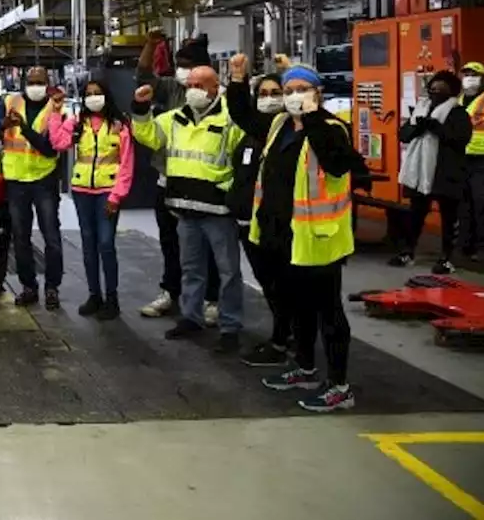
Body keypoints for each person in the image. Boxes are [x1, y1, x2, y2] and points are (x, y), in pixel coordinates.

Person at [251, 65, 362, 412]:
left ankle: (340, 386)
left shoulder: (332, 129)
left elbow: (339, 165)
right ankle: (305, 367)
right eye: (289, 90)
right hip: (283, 235)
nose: (294, 96)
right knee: (297, 307)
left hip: (319, 238)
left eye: (302, 89)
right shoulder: (280, 125)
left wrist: (312, 118)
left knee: (328, 312)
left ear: (317, 93)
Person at [132, 66, 246, 352]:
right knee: (191, 269)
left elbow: (242, 161)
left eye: (200, 84)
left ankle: (230, 326)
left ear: (215, 87)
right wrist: (140, 107)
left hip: (218, 211)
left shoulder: (230, 120)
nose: (193, 89)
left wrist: (230, 194)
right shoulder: (174, 118)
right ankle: (191, 317)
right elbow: (148, 136)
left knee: (228, 271)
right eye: (190, 84)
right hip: (184, 209)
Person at [136, 31, 222, 322]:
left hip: (205, 188)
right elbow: (144, 74)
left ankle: (212, 299)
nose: (183, 71)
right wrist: (150, 45)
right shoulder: (173, 89)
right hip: (169, 184)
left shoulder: (222, 104)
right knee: (170, 244)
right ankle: (171, 292)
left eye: (188, 64)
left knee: (208, 249)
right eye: (180, 64)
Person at [225, 54, 296, 368]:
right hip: (249, 220)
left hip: (280, 223)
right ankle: (286, 334)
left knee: (283, 282)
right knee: (268, 281)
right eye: (263, 94)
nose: (269, 100)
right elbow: (239, 111)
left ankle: (284, 339)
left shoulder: (291, 130)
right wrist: (238, 80)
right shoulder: (255, 130)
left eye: (276, 93)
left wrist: (291, 75)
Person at [48, 78, 133, 319]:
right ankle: (94, 295)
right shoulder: (77, 123)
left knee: (106, 244)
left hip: (108, 192)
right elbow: (57, 142)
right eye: (89, 93)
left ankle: (112, 298)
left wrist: (117, 196)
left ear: (106, 95)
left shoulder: (119, 125)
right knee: (88, 245)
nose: (93, 97)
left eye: (97, 93)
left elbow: (126, 164)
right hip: (82, 192)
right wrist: (55, 113)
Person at [0, 66, 63, 309]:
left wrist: (24, 128)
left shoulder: (57, 108)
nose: (35, 86)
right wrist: (4, 123)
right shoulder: (10, 101)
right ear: (24, 83)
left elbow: (50, 148)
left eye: (40, 81)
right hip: (16, 180)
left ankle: (52, 288)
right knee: (20, 237)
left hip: (44, 179)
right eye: (31, 81)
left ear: (47, 84)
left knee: (51, 237)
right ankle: (29, 287)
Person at [394, 71, 471, 273]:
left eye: (441, 89)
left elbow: (460, 139)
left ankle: (447, 258)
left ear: (451, 91)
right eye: (433, 88)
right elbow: (403, 135)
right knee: (415, 214)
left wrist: (437, 128)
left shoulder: (458, 113)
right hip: (420, 172)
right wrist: (417, 128)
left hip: (446, 173)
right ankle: (407, 251)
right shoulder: (420, 109)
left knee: (449, 218)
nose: (436, 92)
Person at [459, 62, 484, 261]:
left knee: (482, 204)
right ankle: (465, 246)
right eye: (466, 74)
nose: (469, 78)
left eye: (474, 74)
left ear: (483, 79)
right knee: (464, 205)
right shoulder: (460, 99)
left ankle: (483, 248)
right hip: (462, 158)